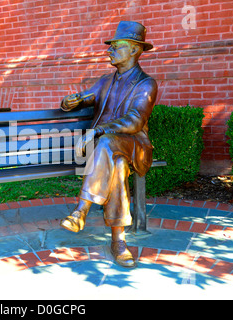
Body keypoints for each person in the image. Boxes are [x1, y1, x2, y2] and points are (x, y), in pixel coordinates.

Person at [59, 21, 158, 268]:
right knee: (116, 163)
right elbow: (84, 98)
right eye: (110, 46)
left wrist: (99, 130)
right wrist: (69, 103)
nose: (109, 50)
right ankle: (118, 241)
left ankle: (81, 209)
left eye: (116, 46)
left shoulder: (146, 84)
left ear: (134, 50)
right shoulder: (105, 81)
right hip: (107, 151)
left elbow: (135, 120)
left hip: (133, 144)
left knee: (108, 145)